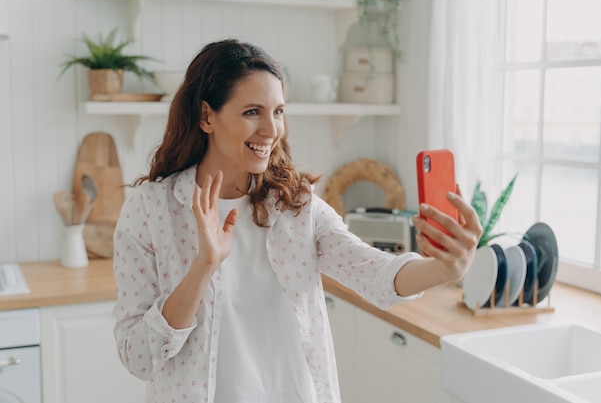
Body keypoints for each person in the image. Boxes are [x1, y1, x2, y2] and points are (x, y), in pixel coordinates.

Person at [113, 38, 481, 403]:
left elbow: (374, 273)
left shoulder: (295, 205)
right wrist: (203, 266)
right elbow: (139, 358)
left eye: (278, 111)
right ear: (207, 116)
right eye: (252, 112)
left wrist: (447, 269)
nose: (272, 130)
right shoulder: (151, 210)